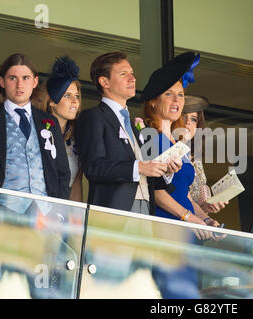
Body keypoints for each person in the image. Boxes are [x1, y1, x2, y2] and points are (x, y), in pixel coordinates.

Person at [141, 51, 224, 299]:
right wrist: (190, 218)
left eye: (181, 94)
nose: (177, 100)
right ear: (153, 102)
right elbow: (156, 192)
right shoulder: (148, 136)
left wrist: (206, 220)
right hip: (166, 230)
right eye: (169, 93)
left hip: (187, 231)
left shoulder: (177, 143)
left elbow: (184, 194)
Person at [74, 51, 180, 215]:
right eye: (124, 74)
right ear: (104, 82)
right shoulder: (93, 116)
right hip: (113, 211)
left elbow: (147, 174)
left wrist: (166, 170)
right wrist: (139, 167)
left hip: (146, 209)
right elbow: (94, 167)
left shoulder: (133, 125)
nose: (133, 78)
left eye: (132, 73)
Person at [0, 53, 70, 213]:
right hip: (0, 209)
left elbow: (62, 172)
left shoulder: (50, 122)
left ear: (35, 81)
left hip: (43, 213)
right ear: (2, 81)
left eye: (25, 78)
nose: (19, 85)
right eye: (12, 78)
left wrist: (57, 212)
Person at [40, 56, 83, 202]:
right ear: (52, 101)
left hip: (63, 214)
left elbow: (76, 184)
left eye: (77, 96)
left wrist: (75, 218)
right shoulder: (37, 132)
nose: (75, 101)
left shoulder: (77, 138)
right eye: (67, 95)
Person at [181, 95, 228, 214]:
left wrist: (206, 207)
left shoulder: (195, 159)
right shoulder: (165, 148)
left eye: (193, 119)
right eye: (183, 116)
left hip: (193, 223)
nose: (188, 123)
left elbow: (195, 204)